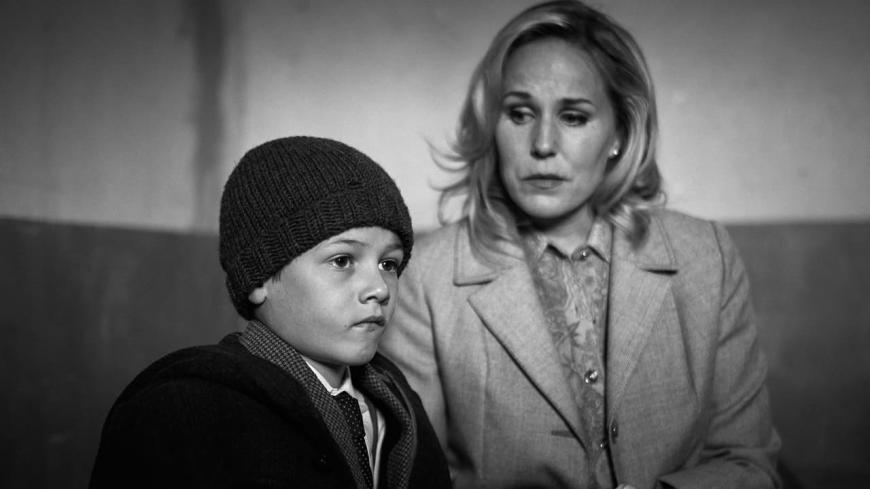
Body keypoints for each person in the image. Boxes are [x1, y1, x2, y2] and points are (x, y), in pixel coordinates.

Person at [379, 1, 781, 488]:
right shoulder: (428, 276)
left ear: (619, 133)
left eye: (573, 116)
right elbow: (416, 480)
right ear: (492, 125)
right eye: (519, 113)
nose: (543, 144)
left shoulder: (705, 256)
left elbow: (750, 465)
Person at [90, 136, 451, 489]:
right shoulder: (178, 411)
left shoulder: (399, 403)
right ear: (259, 277)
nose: (380, 288)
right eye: (342, 260)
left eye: (389, 264)